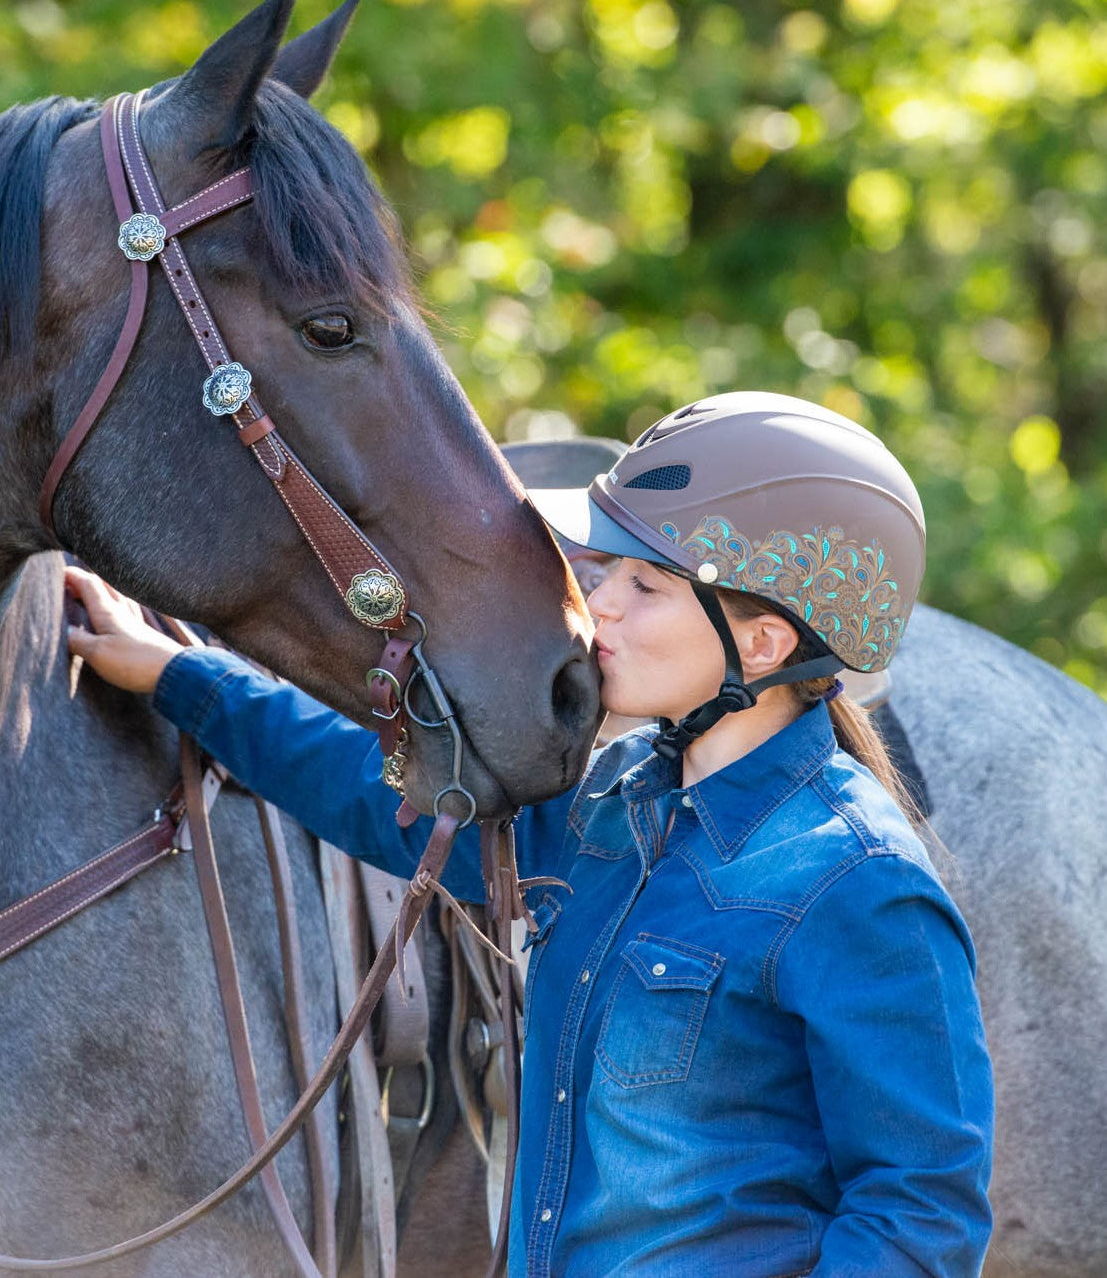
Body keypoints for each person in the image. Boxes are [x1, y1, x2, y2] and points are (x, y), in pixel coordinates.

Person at [66, 391, 994, 1277]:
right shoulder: (605, 807)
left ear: (762, 647)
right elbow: (374, 790)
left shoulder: (859, 885)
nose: (603, 607)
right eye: (606, 573)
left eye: (645, 584)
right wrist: (182, 679)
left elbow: (922, 1216)